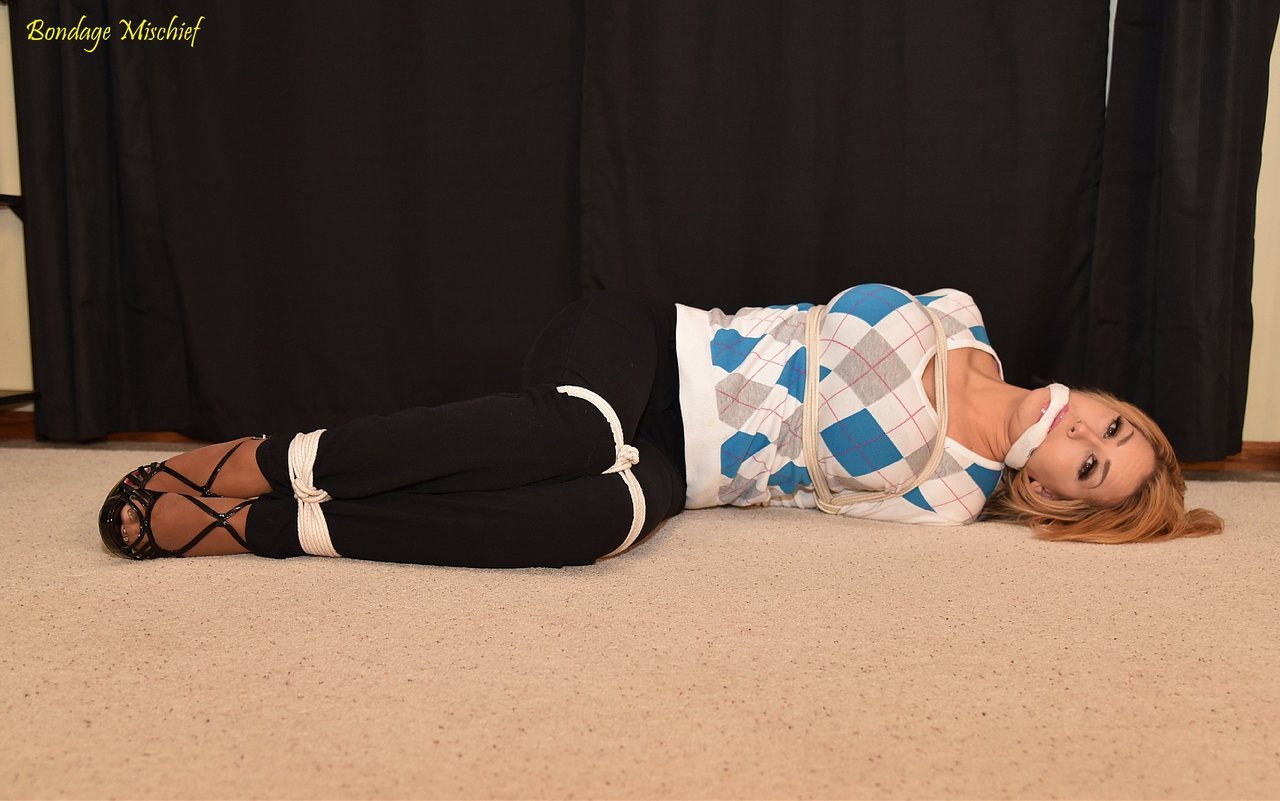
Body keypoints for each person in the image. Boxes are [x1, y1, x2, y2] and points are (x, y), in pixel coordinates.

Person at [98, 284, 1224, 566]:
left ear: (1051, 493)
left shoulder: (950, 498)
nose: (1086, 438)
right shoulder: (960, 313)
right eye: (1112, 429)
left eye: (1091, 468)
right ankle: (263, 462)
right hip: (646, 345)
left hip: (683, 466)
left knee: (596, 522)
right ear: (1102, 398)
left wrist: (990, 458)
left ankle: (272, 530)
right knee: (573, 435)